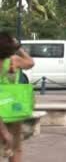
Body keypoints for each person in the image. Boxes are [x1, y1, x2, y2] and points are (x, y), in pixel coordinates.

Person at [0, 31, 34, 162]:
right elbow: (30, 63)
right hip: (13, 109)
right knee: (16, 148)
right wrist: (18, 48)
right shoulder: (14, 61)